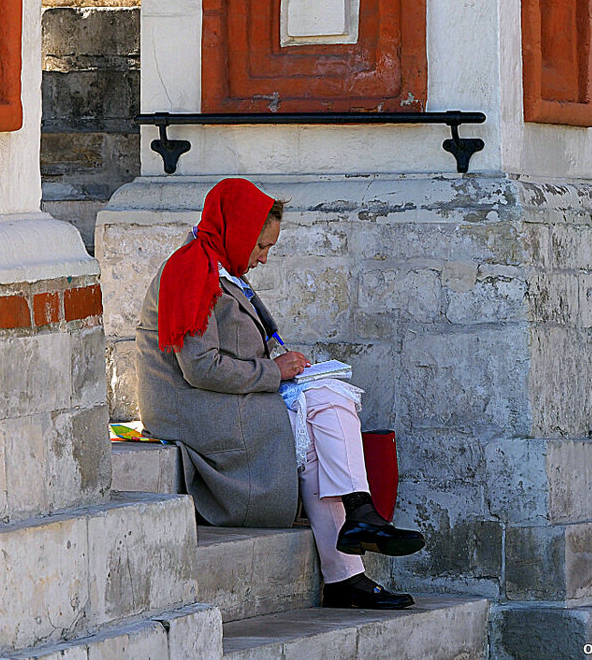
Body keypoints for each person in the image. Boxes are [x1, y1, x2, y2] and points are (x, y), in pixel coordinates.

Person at [135, 178, 424, 609]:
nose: (264, 259)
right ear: (236, 231)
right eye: (261, 247)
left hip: (228, 397)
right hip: (195, 408)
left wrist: (283, 370)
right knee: (316, 428)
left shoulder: (219, 267)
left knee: (332, 398)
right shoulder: (189, 271)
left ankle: (359, 520)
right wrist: (273, 371)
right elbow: (199, 368)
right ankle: (350, 558)